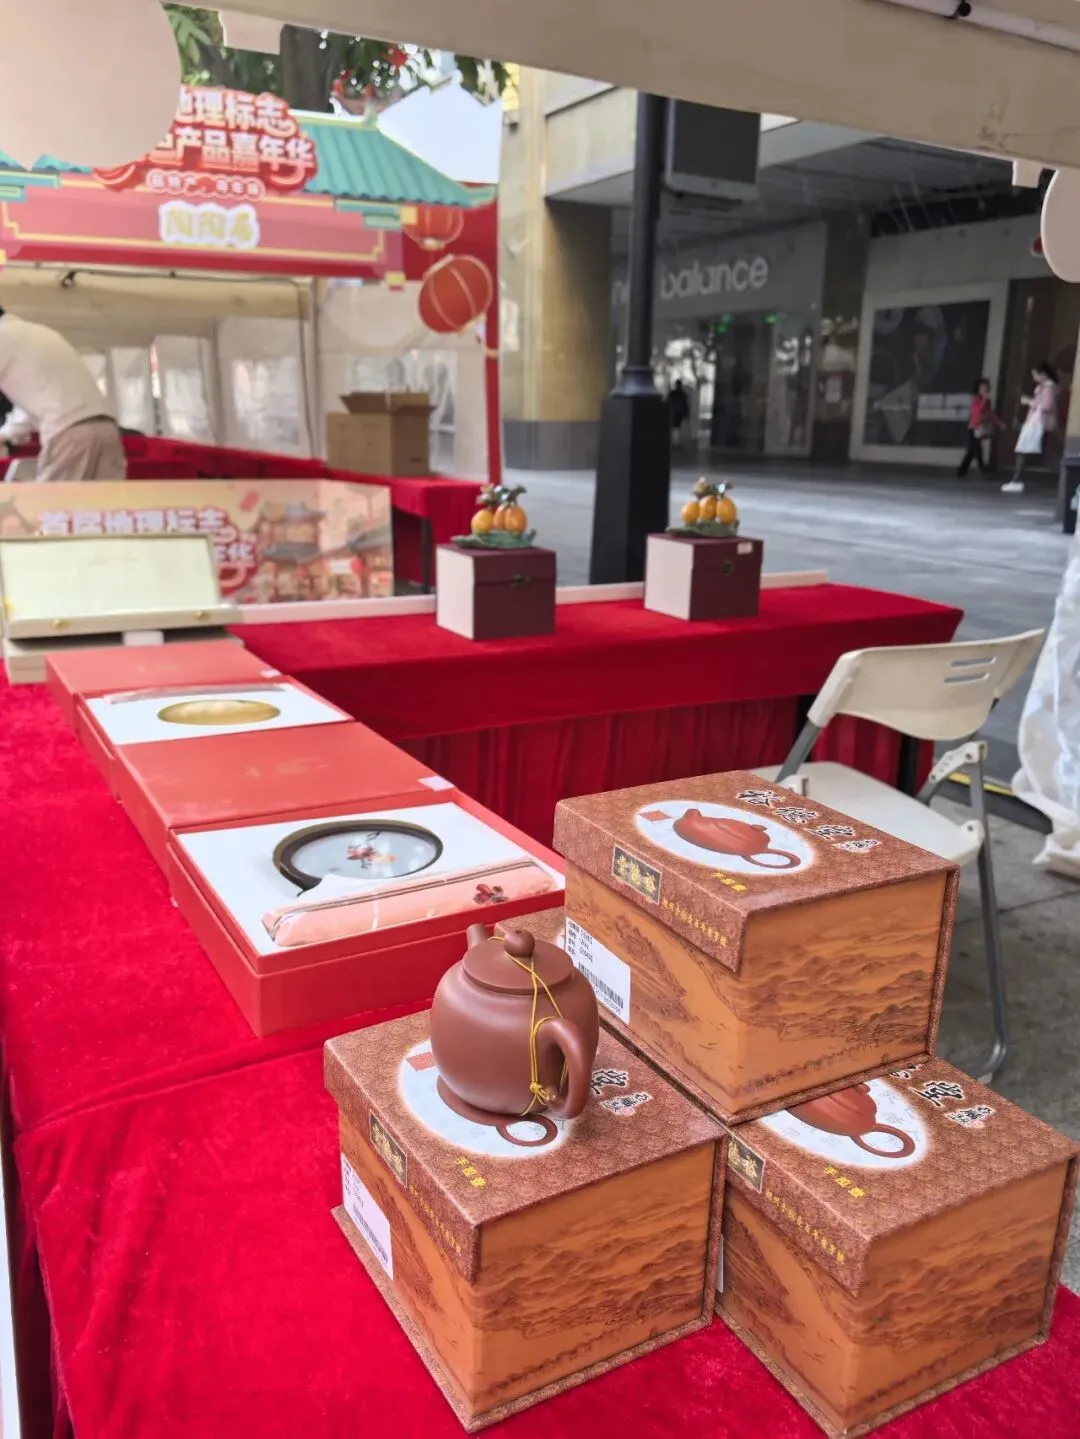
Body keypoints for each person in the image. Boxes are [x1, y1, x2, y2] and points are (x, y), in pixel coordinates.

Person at [0, 309, 126, 481]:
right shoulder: (39, 333)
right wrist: (6, 434)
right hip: (105, 428)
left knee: (55, 499)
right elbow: (40, 399)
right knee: (103, 498)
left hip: (69, 433)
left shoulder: (4, 337)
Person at [1002, 362, 1059, 494]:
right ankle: (1017, 480)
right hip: (1036, 423)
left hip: (1038, 424)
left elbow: (1046, 405)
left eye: (1035, 374)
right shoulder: (1044, 387)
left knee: (1023, 449)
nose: (1034, 377)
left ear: (1043, 374)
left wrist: (1029, 401)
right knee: (1032, 451)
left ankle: (1016, 481)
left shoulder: (1048, 388)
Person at [957, 378, 1002, 477]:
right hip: (974, 427)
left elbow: (989, 413)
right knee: (977, 450)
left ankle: (961, 471)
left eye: (986, 387)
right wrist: (984, 400)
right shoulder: (975, 399)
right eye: (982, 387)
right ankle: (982, 469)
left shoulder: (987, 400)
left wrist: (998, 423)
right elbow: (977, 412)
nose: (984, 389)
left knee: (972, 451)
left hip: (981, 427)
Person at [668, 379, 690, 450]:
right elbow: (685, 405)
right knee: (677, 428)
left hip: (672, 412)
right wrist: (687, 414)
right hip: (679, 413)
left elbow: (668, 402)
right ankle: (676, 443)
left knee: (673, 428)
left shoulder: (672, 393)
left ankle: (674, 443)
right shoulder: (683, 394)